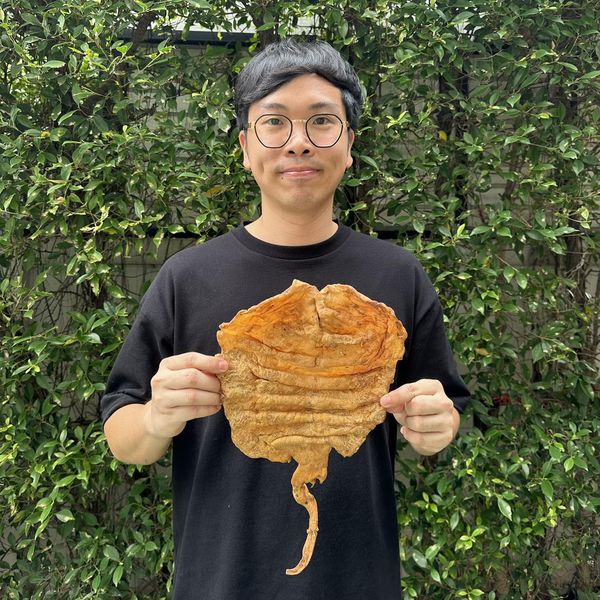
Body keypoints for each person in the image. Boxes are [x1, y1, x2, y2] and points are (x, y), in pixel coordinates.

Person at [101, 38, 470, 600]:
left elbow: (443, 414)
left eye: (322, 121)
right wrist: (155, 418)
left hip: (358, 584)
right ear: (247, 147)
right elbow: (122, 432)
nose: (299, 142)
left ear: (349, 145)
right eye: (274, 123)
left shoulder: (398, 274)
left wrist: (436, 426)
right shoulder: (187, 278)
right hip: (219, 584)